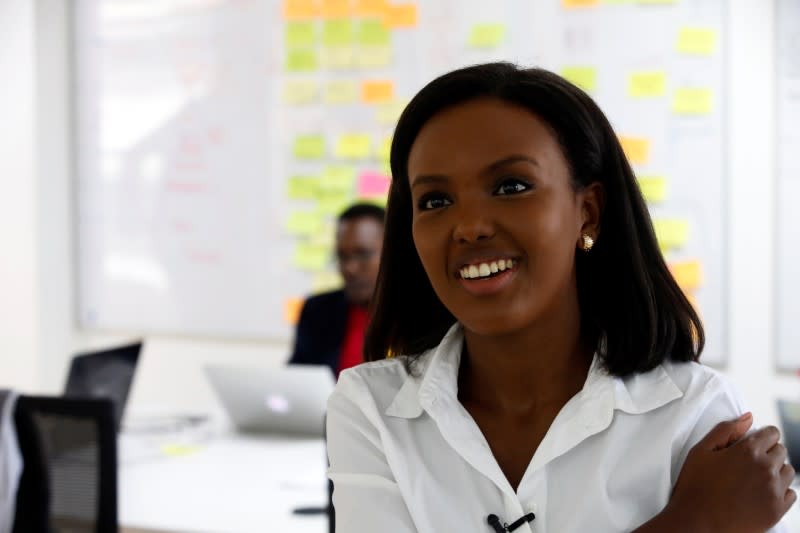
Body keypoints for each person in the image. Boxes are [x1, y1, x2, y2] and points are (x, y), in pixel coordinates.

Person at [326, 63, 796, 532]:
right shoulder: (372, 408)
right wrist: (694, 522)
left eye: (511, 187)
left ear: (587, 213)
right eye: (435, 201)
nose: (470, 227)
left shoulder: (693, 411)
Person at [289, 203, 385, 378]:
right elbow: (296, 379)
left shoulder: (424, 317)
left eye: (363, 254)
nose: (350, 268)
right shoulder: (317, 311)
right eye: (342, 256)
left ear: (394, 253)